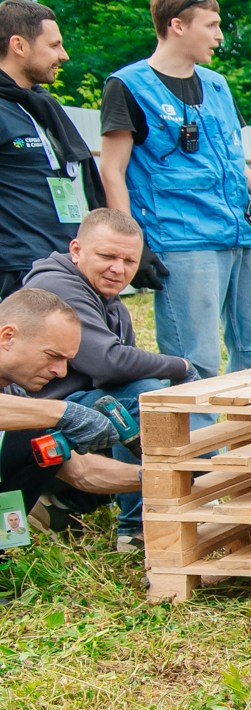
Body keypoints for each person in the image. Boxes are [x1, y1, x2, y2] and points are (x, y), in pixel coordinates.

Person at [97, 0, 251, 382]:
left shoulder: (217, 84)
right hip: (182, 243)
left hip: (240, 236)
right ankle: (198, 447)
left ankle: (248, 440)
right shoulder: (128, 86)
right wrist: (133, 245)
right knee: (195, 361)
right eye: (212, 25)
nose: (220, 36)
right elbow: (112, 170)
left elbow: (229, 156)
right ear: (177, 26)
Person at [22, 209, 193, 550]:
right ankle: (136, 526)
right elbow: (108, 364)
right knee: (142, 400)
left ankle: (70, 502)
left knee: (145, 396)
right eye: (107, 256)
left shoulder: (112, 304)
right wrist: (181, 367)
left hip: (78, 411)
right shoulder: (59, 288)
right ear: (76, 250)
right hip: (29, 423)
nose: (119, 268)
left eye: (129, 260)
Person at [0, 289, 139, 539]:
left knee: (41, 445)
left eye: (66, 360)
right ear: (8, 336)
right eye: (53, 356)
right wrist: (64, 412)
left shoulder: (15, 396)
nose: (61, 371)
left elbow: (82, 472)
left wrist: (158, 476)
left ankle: (5, 540)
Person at [1, 0, 104, 299]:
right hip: (18, 271)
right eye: (54, 45)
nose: (64, 55)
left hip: (62, 262)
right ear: (19, 45)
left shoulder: (41, 107)